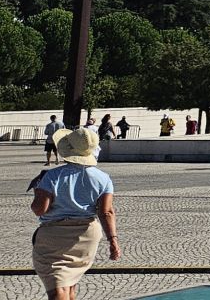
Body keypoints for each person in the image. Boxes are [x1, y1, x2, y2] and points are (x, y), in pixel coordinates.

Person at [29, 128, 120, 300]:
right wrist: (113, 240)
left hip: (54, 236)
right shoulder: (103, 178)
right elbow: (107, 212)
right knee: (69, 286)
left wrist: (37, 189)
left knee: (57, 289)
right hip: (87, 235)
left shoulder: (52, 176)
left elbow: (39, 209)